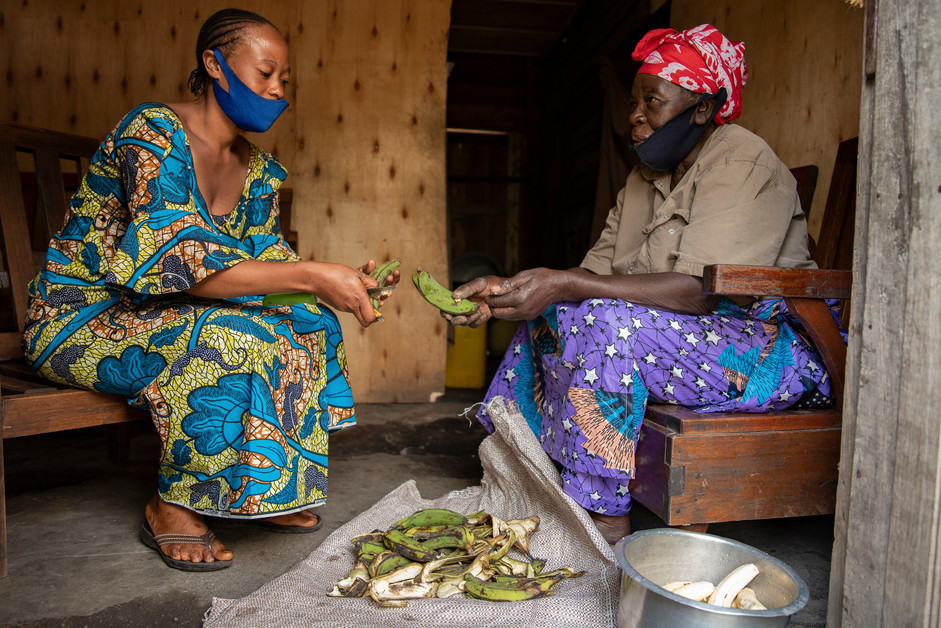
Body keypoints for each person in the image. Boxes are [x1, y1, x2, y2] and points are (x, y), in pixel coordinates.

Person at [22, 9, 397, 571]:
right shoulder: (151, 134)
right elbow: (176, 260)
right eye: (265, 72)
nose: (276, 90)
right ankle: (172, 505)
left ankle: (264, 487)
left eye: (284, 80)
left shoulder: (257, 170)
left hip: (163, 313)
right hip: (84, 316)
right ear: (213, 65)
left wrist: (339, 283)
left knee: (310, 322)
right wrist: (314, 275)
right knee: (231, 335)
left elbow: (268, 267)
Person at [444, 24, 836, 544]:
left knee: (600, 321)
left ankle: (603, 513)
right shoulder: (642, 179)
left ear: (701, 109)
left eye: (652, 101)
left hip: (763, 351)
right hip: (675, 337)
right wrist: (501, 297)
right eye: (633, 102)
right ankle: (524, 473)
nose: (634, 115)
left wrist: (566, 284)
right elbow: (590, 276)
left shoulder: (741, 158)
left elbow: (702, 292)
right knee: (556, 316)